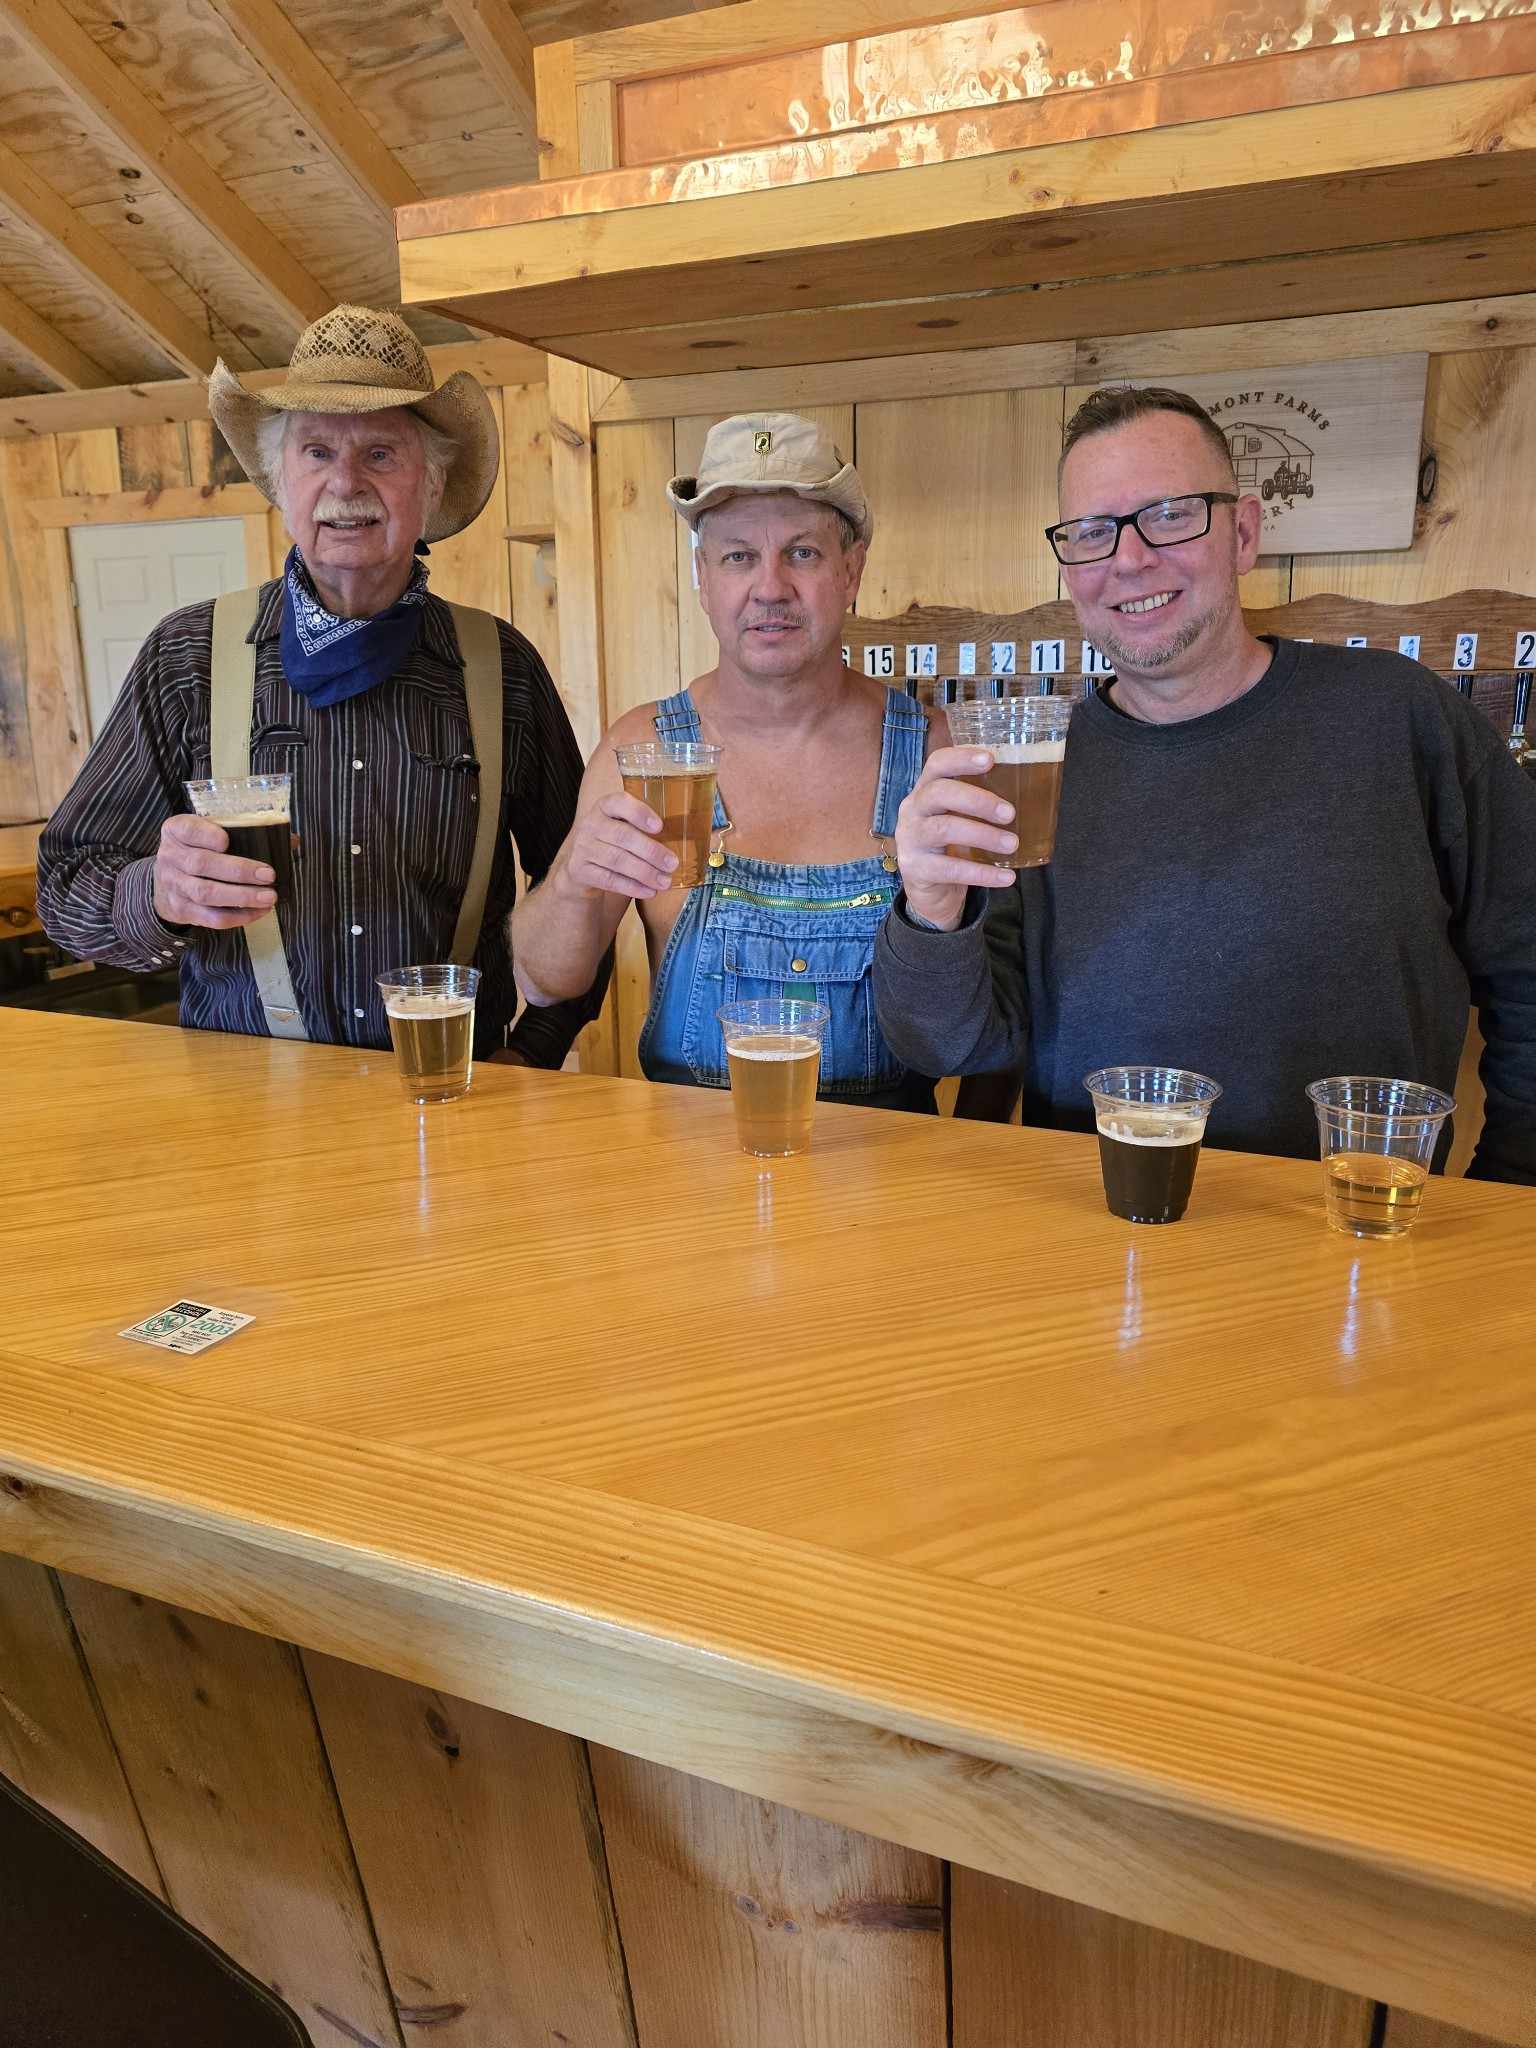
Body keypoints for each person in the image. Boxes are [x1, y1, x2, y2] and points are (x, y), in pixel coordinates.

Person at [873, 384, 1536, 1182]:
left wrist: (1511, 1190)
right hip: (1108, 1232)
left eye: (1171, 514)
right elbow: (948, 1046)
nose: (1128, 558)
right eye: (1091, 533)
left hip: (1357, 1238)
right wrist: (930, 911)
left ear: (1244, 532)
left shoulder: (1398, 715)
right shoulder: (1038, 772)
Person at [37, 304, 604, 1064]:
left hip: (459, 1101)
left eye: (381, 454)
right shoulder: (187, 658)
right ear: (280, 481)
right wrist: (157, 893)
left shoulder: (502, 668)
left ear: (430, 488)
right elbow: (68, 885)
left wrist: (533, 1053)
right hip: (245, 1113)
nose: (345, 482)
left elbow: (587, 885)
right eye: (315, 451)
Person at [510, 412, 935, 1110]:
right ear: (702, 579)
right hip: (689, 1185)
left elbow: (991, 1016)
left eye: (802, 553)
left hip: (890, 1181)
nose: (769, 588)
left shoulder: (929, 751)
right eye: (738, 556)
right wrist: (571, 882)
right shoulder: (638, 751)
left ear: (851, 570)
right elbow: (545, 980)